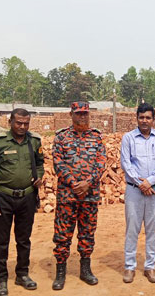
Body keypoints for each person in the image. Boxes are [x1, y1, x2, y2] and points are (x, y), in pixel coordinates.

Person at [0, 108, 44, 295]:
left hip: (27, 197)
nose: (22, 126)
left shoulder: (34, 141)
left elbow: (40, 164)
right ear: (10, 121)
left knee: (23, 239)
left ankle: (22, 274)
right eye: (18, 122)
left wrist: (39, 177)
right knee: (0, 241)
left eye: (26, 123)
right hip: (3, 198)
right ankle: (1, 279)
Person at [51, 101, 106, 290]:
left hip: (89, 196)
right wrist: (74, 183)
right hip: (68, 195)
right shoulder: (61, 137)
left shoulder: (96, 138)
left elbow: (101, 163)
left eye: (85, 113)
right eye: (78, 113)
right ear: (71, 114)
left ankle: (85, 269)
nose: (82, 116)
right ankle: (60, 272)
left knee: (87, 233)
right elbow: (58, 163)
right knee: (62, 234)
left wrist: (88, 183)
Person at [120, 103, 155, 284]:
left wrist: (149, 182)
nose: (144, 121)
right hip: (134, 191)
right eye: (141, 117)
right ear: (137, 118)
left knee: (153, 229)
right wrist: (141, 183)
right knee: (132, 229)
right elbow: (126, 163)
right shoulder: (128, 138)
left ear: (153, 119)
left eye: (148, 117)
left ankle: (150, 266)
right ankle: (129, 266)